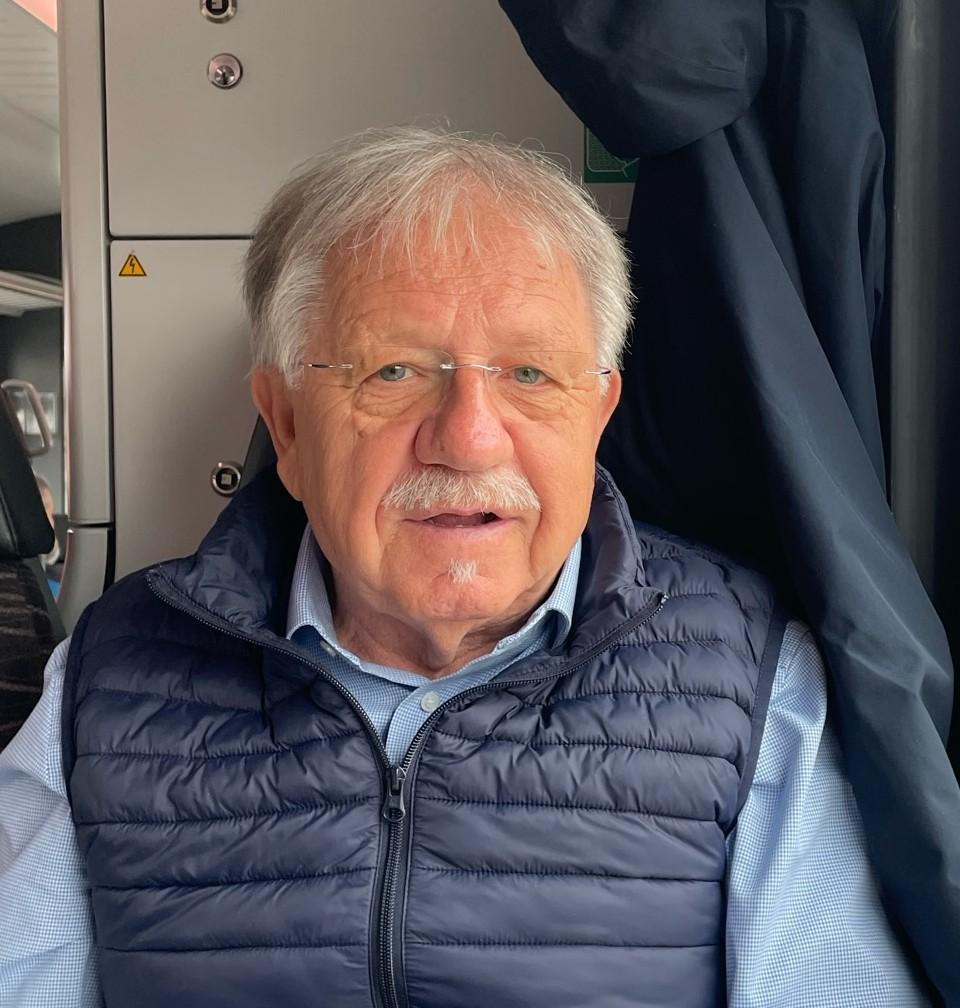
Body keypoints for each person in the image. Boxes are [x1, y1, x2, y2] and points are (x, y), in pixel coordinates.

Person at [0, 127, 929, 1007]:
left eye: (531, 374)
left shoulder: (757, 679)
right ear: (285, 425)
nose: (469, 438)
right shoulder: (107, 675)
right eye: (394, 371)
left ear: (597, 415)